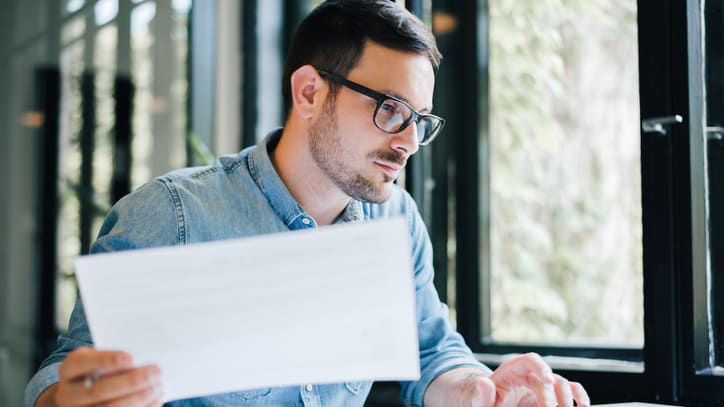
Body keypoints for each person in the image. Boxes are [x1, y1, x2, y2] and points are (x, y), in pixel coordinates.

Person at [25, 1, 591, 406]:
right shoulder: (172, 215)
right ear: (310, 92)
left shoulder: (396, 219)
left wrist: (479, 390)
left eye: (421, 121)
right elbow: (64, 376)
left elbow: (431, 350)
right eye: (391, 109)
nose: (408, 141)